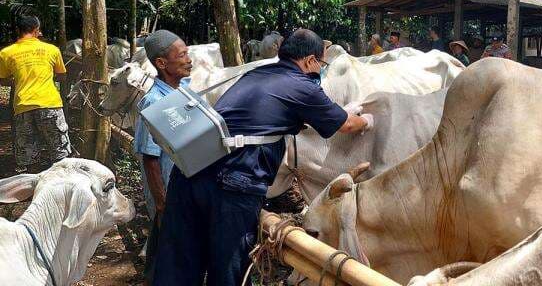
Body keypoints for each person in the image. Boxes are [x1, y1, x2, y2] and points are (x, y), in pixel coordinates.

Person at [152, 28, 374, 286]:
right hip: (234, 184)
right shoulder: (302, 85)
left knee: (177, 265)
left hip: (190, 171)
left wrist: (336, 112)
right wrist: (366, 120)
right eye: (321, 63)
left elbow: (266, 117)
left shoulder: (256, 74)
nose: (320, 69)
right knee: (226, 270)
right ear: (311, 60)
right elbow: (346, 125)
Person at [133, 29, 193, 285]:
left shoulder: (184, 89)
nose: (189, 59)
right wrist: (161, 203)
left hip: (183, 182)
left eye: (188, 53)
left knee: (164, 248)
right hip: (168, 189)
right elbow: (150, 157)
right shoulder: (154, 102)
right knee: (171, 247)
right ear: (161, 63)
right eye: (182, 55)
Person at [0, 16, 71, 173]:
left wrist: (18, 81)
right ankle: (62, 188)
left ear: (18, 31)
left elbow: (3, 80)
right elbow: (62, 76)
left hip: (23, 107)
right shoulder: (52, 50)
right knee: (60, 153)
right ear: (37, 31)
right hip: (50, 104)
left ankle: (35, 188)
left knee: (30, 156)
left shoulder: (6, 53)